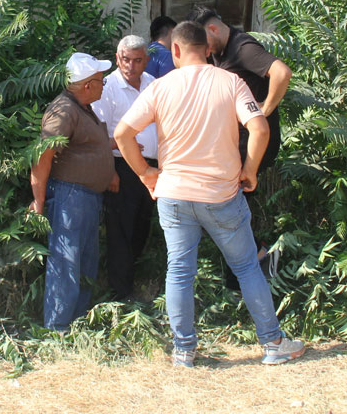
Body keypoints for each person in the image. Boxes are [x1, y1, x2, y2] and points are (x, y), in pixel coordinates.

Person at [114, 22, 306, 367]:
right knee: (247, 266)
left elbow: (122, 133)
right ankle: (273, 344)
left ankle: (183, 351)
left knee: (179, 271)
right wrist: (249, 170)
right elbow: (259, 127)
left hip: (173, 194)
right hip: (221, 193)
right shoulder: (231, 81)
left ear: (174, 51)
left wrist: (146, 173)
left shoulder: (160, 88)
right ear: (207, 48)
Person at [187, 4, 292, 287]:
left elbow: (282, 72)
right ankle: (249, 270)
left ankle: (252, 269)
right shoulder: (219, 52)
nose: (203, 51)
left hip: (254, 144)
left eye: (203, 43)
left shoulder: (242, 47)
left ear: (212, 29)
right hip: (237, 144)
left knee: (230, 206)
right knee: (231, 207)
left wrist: (265, 110)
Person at [30, 52, 120, 331]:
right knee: (67, 261)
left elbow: (86, 144)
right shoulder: (65, 110)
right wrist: (39, 200)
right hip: (71, 197)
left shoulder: (81, 108)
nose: (104, 85)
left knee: (84, 261)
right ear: (86, 86)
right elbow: (43, 155)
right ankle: (57, 326)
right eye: (100, 80)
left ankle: (75, 321)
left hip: (85, 198)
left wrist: (114, 147)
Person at [91, 35, 158, 301]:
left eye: (137, 60)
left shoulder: (153, 84)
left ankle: (133, 279)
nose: (130, 65)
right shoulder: (107, 87)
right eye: (125, 59)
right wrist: (110, 172)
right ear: (117, 58)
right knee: (120, 229)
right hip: (120, 166)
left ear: (146, 60)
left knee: (143, 224)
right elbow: (97, 133)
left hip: (151, 166)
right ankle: (120, 292)